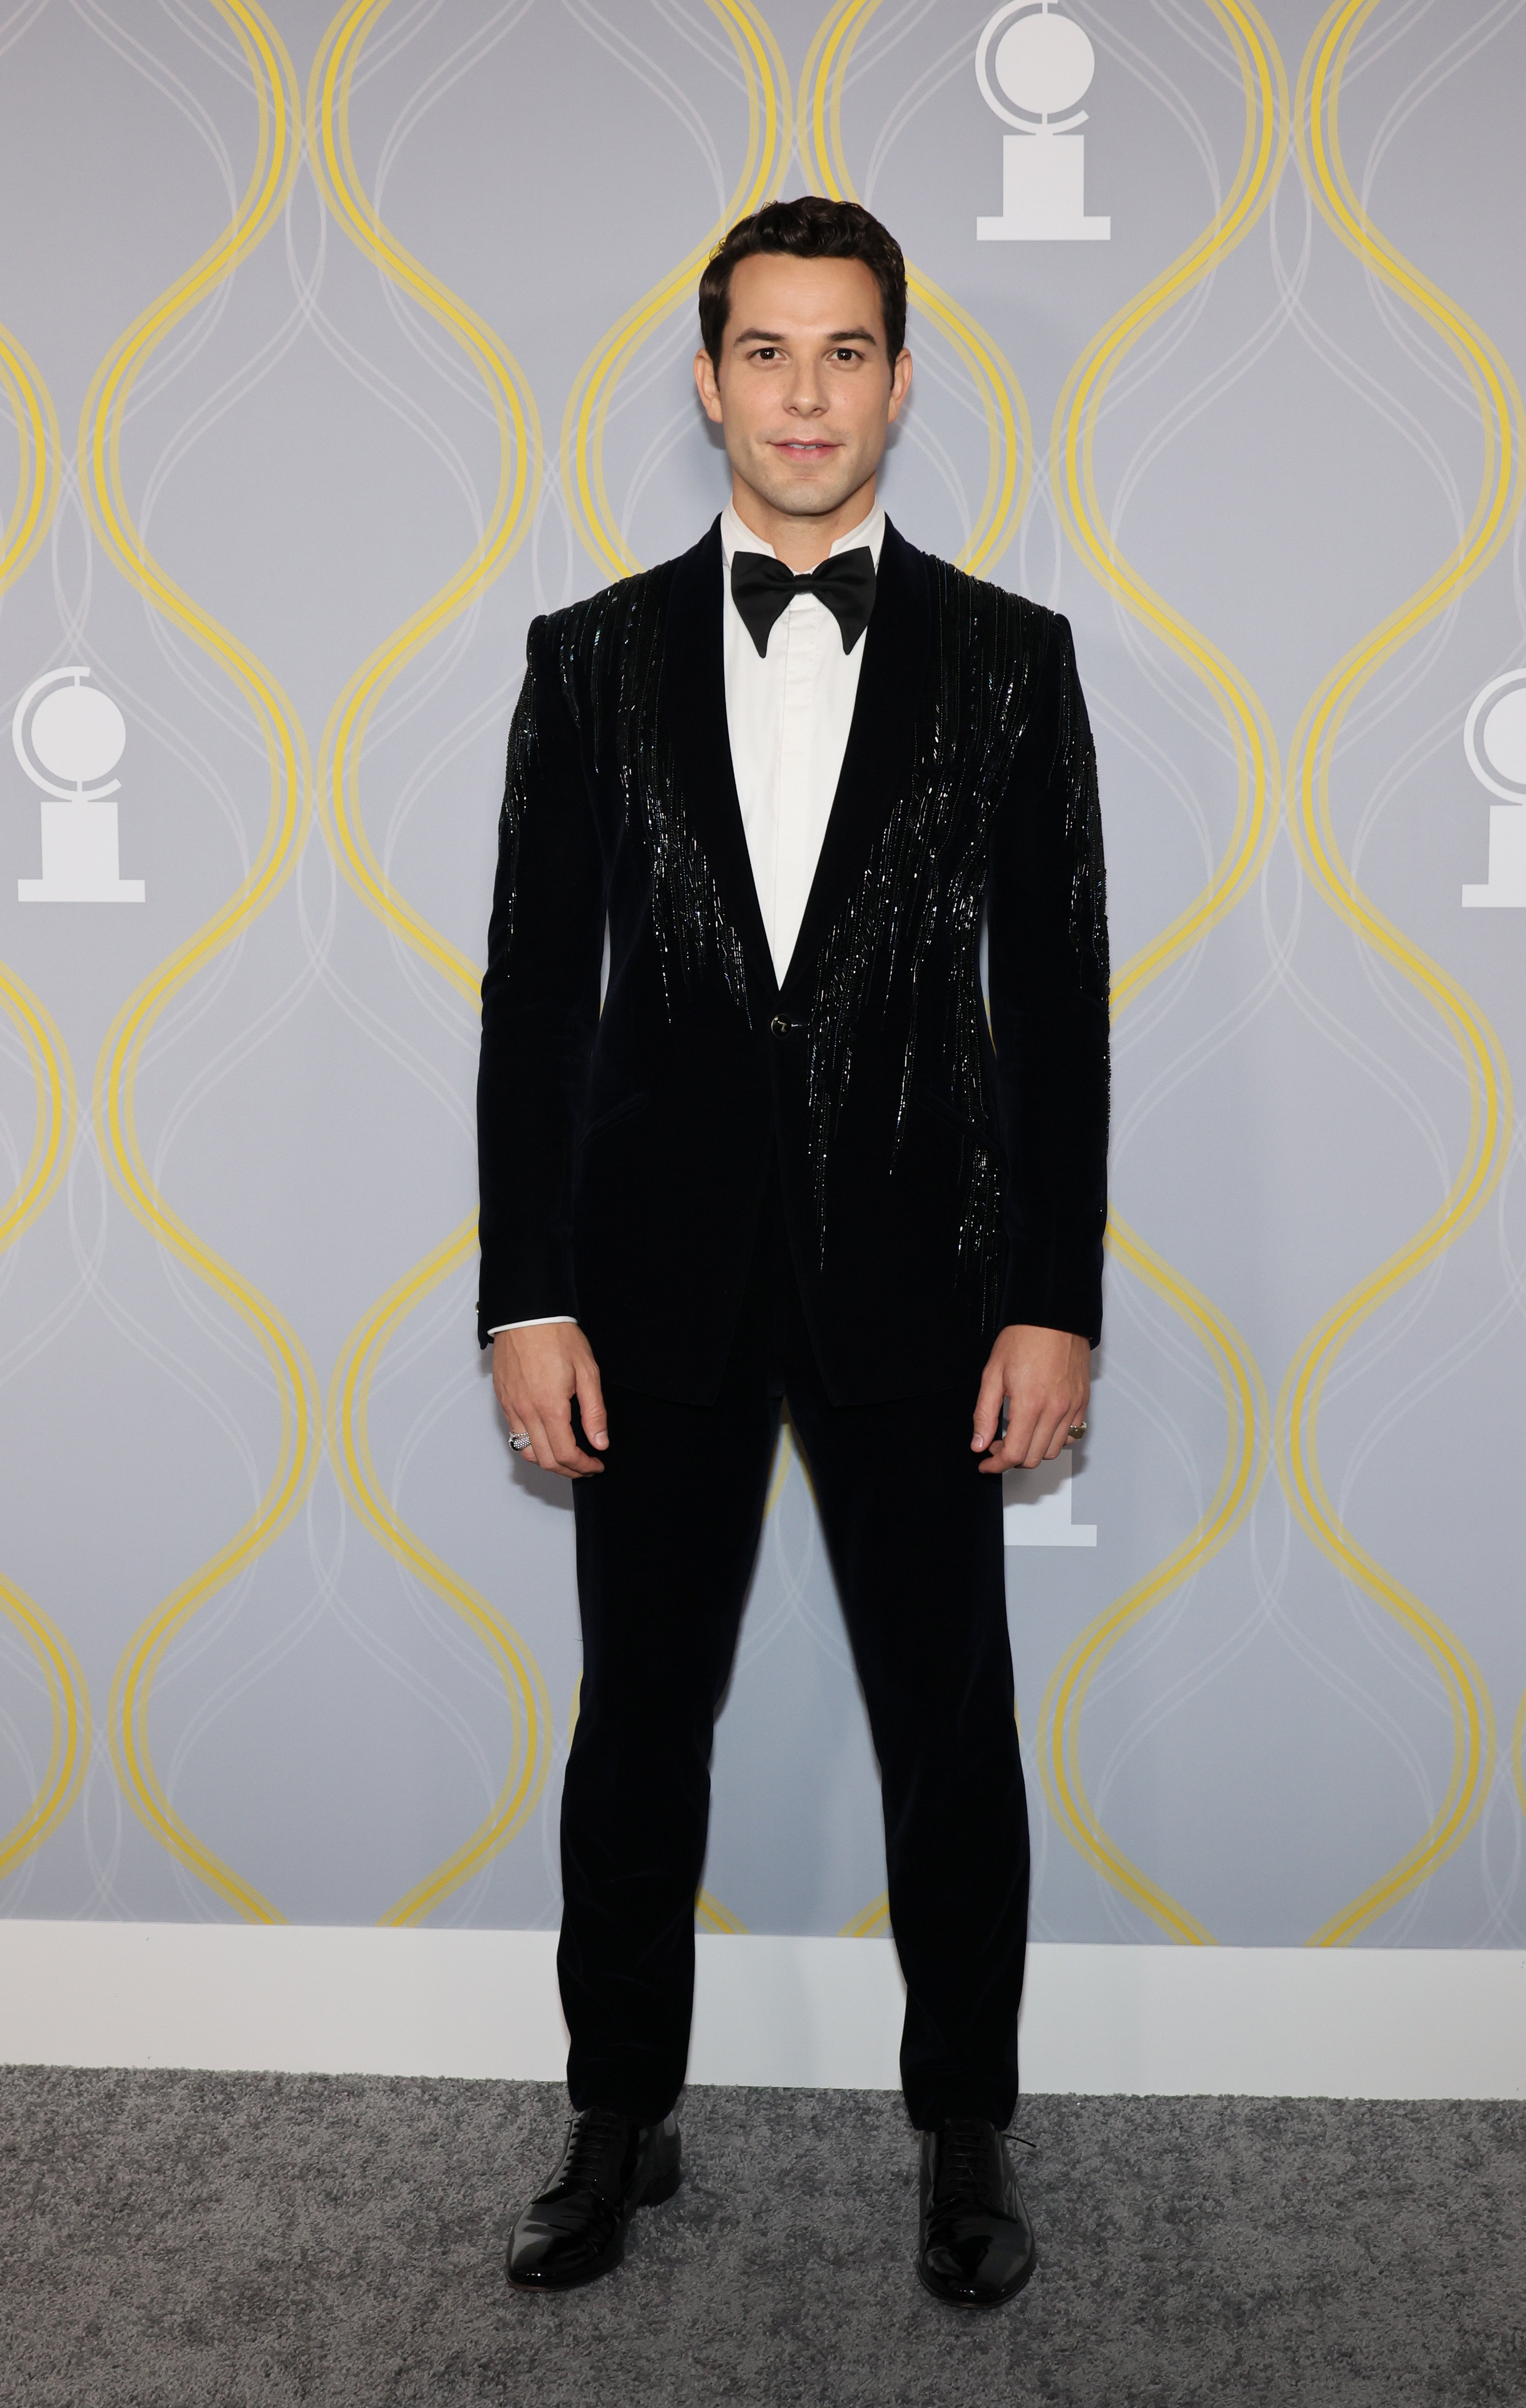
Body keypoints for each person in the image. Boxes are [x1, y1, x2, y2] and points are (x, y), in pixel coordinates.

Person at [477, 195, 1108, 2310]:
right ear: (709, 376)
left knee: (953, 1723)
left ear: (903, 380)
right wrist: (528, 1292)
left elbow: (1065, 1006)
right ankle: (617, 2115)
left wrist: (1053, 1296)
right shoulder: (586, 663)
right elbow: (531, 1006)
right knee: (640, 1718)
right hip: (645, 1284)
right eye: (769, 351)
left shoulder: (1015, 665)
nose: (809, 392)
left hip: (925, 1276)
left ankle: (965, 2137)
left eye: (848, 353)